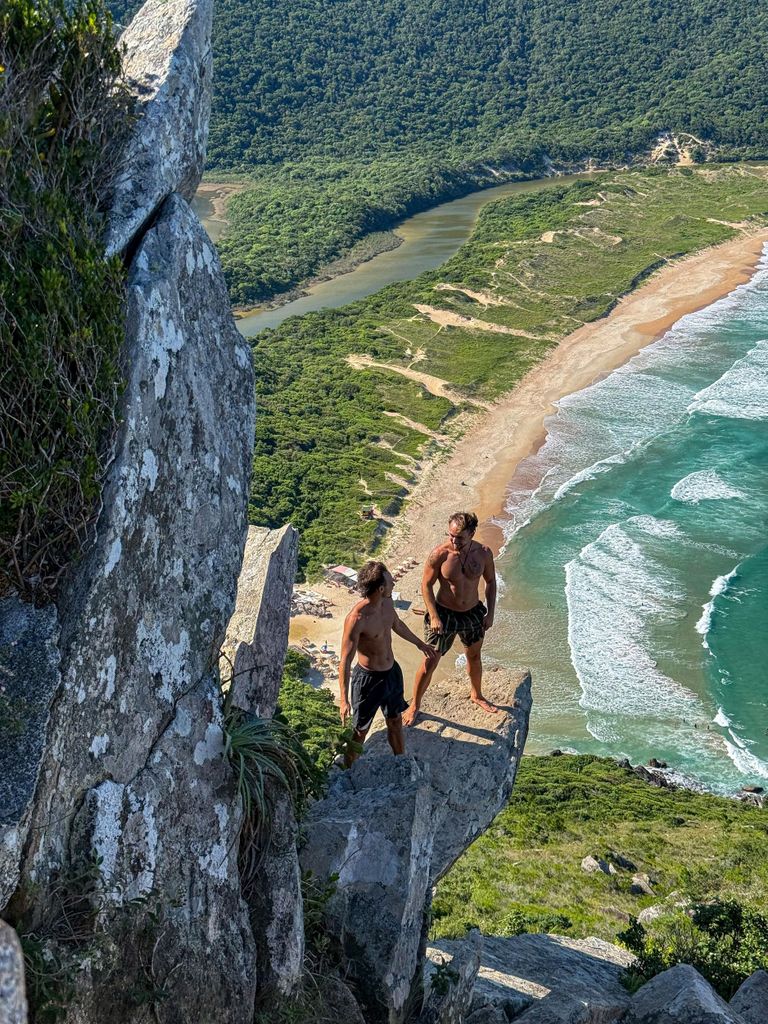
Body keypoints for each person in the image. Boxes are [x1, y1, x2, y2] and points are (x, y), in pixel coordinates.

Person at [402, 511, 497, 727]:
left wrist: (491, 613)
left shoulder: (483, 553)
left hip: (472, 612)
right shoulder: (440, 555)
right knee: (430, 660)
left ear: (472, 533)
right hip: (443, 613)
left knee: (474, 656)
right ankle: (414, 705)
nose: (454, 541)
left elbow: (491, 582)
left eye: (459, 537)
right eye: (451, 536)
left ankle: (477, 694)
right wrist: (434, 616)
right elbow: (426, 585)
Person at [339, 560, 438, 765]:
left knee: (395, 721)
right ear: (381, 588)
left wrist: (420, 644)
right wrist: (343, 699)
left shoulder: (387, 603)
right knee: (360, 731)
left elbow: (397, 625)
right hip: (367, 681)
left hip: (391, 673)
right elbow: (345, 661)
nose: (394, 584)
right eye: (390, 582)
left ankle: (400, 761)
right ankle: (347, 770)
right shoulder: (357, 619)